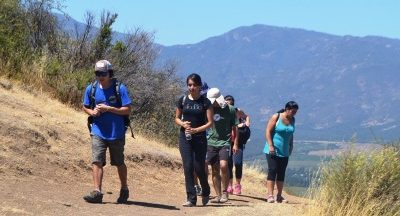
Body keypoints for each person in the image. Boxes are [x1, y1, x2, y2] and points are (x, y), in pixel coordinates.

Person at [82, 60, 132, 204]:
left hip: (116, 133)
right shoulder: (90, 89)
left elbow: (127, 109)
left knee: (119, 162)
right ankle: (97, 191)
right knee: (97, 160)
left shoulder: (120, 88)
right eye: (97, 73)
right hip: (98, 131)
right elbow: (85, 106)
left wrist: (110, 109)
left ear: (110, 73)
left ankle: (124, 188)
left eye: (103, 73)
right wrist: (92, 112)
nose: (100, 76)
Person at [175, 73, 213, 207]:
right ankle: (191, 198)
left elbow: (210, 123)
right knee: (188, 166)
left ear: (199, 86)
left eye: (194, 85)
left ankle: (206, 192)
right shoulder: (183, 100)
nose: (191, 87)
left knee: (198, 167)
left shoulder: (205, 102)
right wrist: (183, 124)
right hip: (185, 137)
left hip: (200, 138)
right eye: (189, 85)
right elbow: (177, 118)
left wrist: (197, 130)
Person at [206, 88, 239, 203]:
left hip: (225, 141)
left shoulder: (230, 109)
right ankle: (218, 195)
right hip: (211, 142)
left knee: (224, 165)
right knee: (215, 170)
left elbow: (235, 127)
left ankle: (225, 192)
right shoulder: (208, 108)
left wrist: (235, 143)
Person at [263, 101, 298, 203]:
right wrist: (270, 145)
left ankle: (279, 196)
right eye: (292, 111)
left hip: (285, 150)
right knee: (272, 170)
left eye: (295, 112)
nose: (294, 113)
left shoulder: (293, 120)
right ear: (287, 109)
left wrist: (291, 145)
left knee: (281, 172)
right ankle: (270, 195)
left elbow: (291, 134)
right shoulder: (276, 117)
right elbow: (268, 131)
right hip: (272, 149)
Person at [224, 95, 251, 195]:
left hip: (238, 141)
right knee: (228, 164)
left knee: (238, 163)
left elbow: (247, 116)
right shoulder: (221, 111)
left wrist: (245, 124)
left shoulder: (237, 111)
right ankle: (229, 185)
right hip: (226, 141)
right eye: (227, 102)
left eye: (230, 103)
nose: (228, 104)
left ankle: (238, 185)